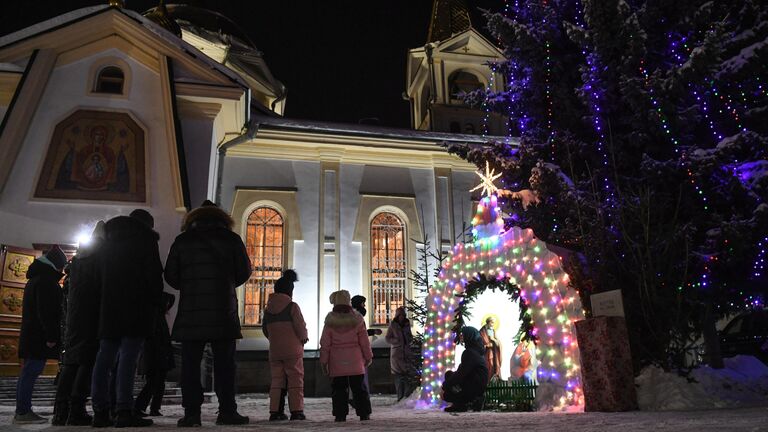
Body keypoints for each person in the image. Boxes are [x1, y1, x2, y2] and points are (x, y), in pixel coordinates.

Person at [165, 200, 252, 427]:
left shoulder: (182, 241)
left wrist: (191, 284)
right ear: (222, 219)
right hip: (223, 311)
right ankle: (227, 411)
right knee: (225, 365)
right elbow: (244, 272)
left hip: (191, 313)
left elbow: (171, 277)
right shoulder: (231, 240)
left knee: (191, 366)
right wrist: (226, 283)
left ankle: (192, 413)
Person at [91, 210, 163, 428]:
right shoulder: (146, 240)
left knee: (104, 358)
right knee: (129, 359)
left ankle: (100, 411)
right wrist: (157, 301)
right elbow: (153, 275)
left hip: (109, 308)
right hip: (136, 307)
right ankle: (123, 409)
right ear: (147, 225)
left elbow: (96, 276)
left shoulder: (107, 240)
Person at [52, 222, 105, 426]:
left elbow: (67, 292)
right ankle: (76, 409)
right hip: (91, 316)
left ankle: (60, 411)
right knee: (86, 362)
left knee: (71, 363)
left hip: (74, 318)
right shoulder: (99, 260)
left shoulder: (76, 263)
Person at [14, 245, 67, 425]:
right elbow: (47, 312)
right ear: (55, 265)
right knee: (31, 371)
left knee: (28, 371)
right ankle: (23, 411)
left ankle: (22, 409)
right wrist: (51, 336)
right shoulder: (46, 281)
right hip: (38, 336)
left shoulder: (36, 279)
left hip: (32, 334)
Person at [320, 290, 373, 422]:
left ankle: (340, 414)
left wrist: (323, 361)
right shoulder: (357, 318)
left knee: (338, 389)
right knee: (359, 388)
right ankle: (364, 413)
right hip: (355, 360)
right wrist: (368, 356)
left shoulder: (330, 321)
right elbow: (364, 341)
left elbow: (325, 344)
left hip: (337, 361)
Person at [262, 269, 308, 421]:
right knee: (295, 380)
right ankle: (296, 411)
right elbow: (300, 326)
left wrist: (274, 339)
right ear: (290, 291)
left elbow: (265, 330)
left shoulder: (268, 309)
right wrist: (303, 338)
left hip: (275, 351)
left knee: (277, 381)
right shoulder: (292, 307)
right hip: (292, 350)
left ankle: (275, 412)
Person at [135, 292, 176, 417]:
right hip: (155, 354)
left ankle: (153, 408)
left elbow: (172, 298)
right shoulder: (154, 317)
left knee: (158, 383)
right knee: (153, 382)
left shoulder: (159, 317)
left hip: (160, 353)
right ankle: (139, 406)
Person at [442, 326, 489, 412]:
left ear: (469, 336)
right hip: (479, 385)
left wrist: (446, 384)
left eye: (463, 335)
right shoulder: (477, 350)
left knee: (447, 394)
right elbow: (463, 369)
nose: (461, 337)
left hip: (474, 386)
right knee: (449, 375)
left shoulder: (470, 352)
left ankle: (462, 404)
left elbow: (461, 373)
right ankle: (469, 401)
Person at [385, 306, 414, 401]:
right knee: (398, 376)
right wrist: (397, 341)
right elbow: (387, 338)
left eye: (403, 315)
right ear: (397, 316)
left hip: (406, 352)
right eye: (400, 315)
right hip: (397, 354)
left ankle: (406, 397)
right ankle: (400, 397)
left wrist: (409, 339)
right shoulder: (393, 324)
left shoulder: (406, 324)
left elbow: (409, 335)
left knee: (406, 375)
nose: (401, 317)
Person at [479, 317, 502, 382]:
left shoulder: (493, 330)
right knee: (489, 365)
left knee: (494, 365)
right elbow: (480, 342)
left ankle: (494, 380)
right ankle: (487, 380)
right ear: (488, 322)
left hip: (494, 352)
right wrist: (487, 344)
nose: (492, 324)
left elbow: (497, 341)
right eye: (491, 322)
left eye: (493, 323)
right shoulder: (482, 331)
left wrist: (494, 341)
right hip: (486, 352)